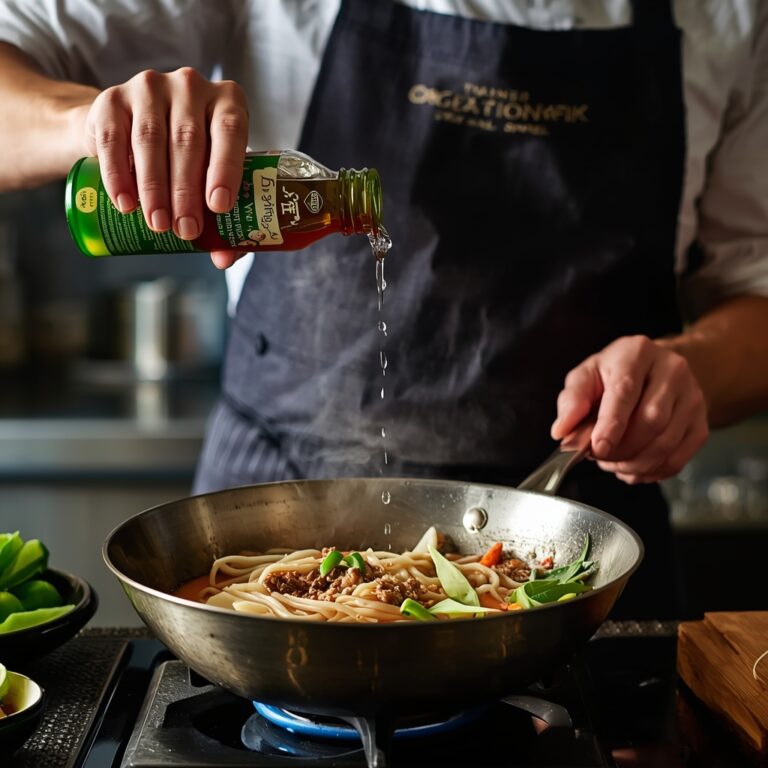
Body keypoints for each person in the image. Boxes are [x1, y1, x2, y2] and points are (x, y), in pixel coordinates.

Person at [0, 0, 766, 619]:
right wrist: (91, 126)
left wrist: (690, 372)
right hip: (274, 529)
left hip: (566, 548)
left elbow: (755, 293)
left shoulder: (731, 16)